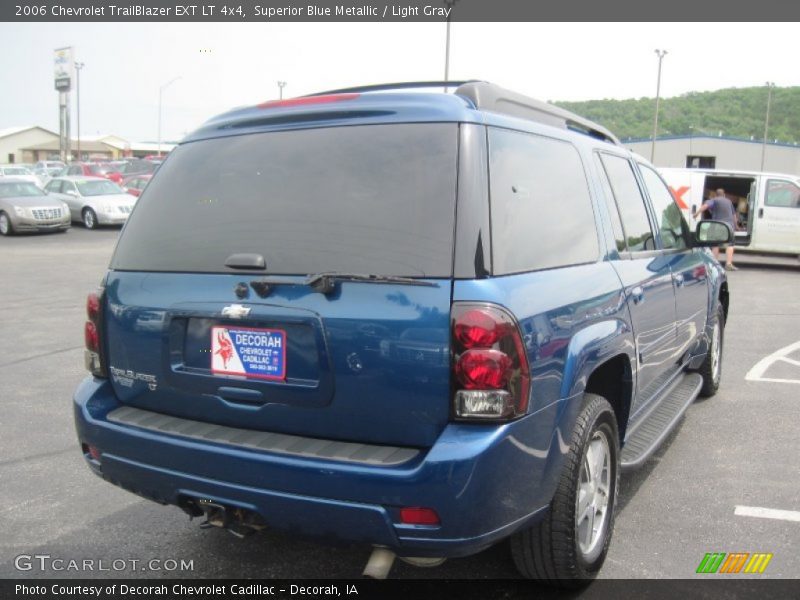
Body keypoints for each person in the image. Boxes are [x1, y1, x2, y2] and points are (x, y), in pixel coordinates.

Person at [694, 188, 738, 270]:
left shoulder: (714, 200)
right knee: (730, 245)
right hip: (729, 225)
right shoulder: (729, 201)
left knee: (716, 244)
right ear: (724, 195)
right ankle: (728, 264)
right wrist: (736, 226)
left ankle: (714, 264)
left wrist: (696, 214)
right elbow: (734, 216)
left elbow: (705, 206)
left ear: (716, 195)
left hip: (718, 225)